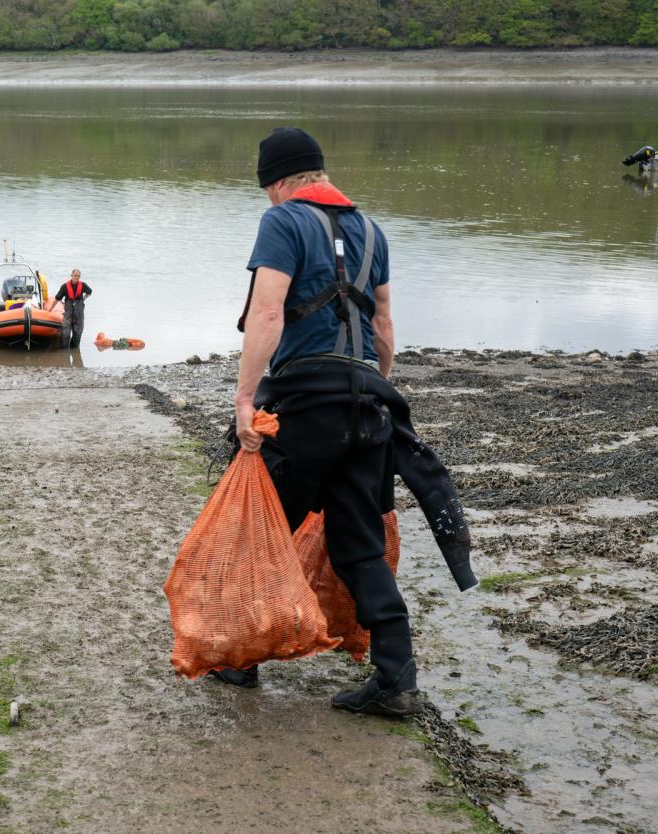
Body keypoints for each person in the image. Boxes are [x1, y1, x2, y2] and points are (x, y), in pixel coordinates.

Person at [216, 127, 475, 716]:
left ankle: (241, 659)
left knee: (261, 527)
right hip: (369, 404)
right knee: (358, 543)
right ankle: (396, 679)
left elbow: (267, 313)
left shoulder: (282, 222)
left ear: (278, 183)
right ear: (320, 173)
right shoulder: (372, 230)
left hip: (306, 403)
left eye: (266, 191)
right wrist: (376, 390)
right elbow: (383, 330)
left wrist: (244, 402)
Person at [47, 269, 92, 349]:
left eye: (78, 276)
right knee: (65, 334)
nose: (77, 278)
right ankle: (65, 354)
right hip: (68, 315)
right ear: (71, 275)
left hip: (79, 316)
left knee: (77, 334)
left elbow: (89, 292)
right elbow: (57, 299)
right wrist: (50, 310)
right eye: (75, 276)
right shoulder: (65, 286)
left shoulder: (83, 285)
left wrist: (83, 300)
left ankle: (74, 350)